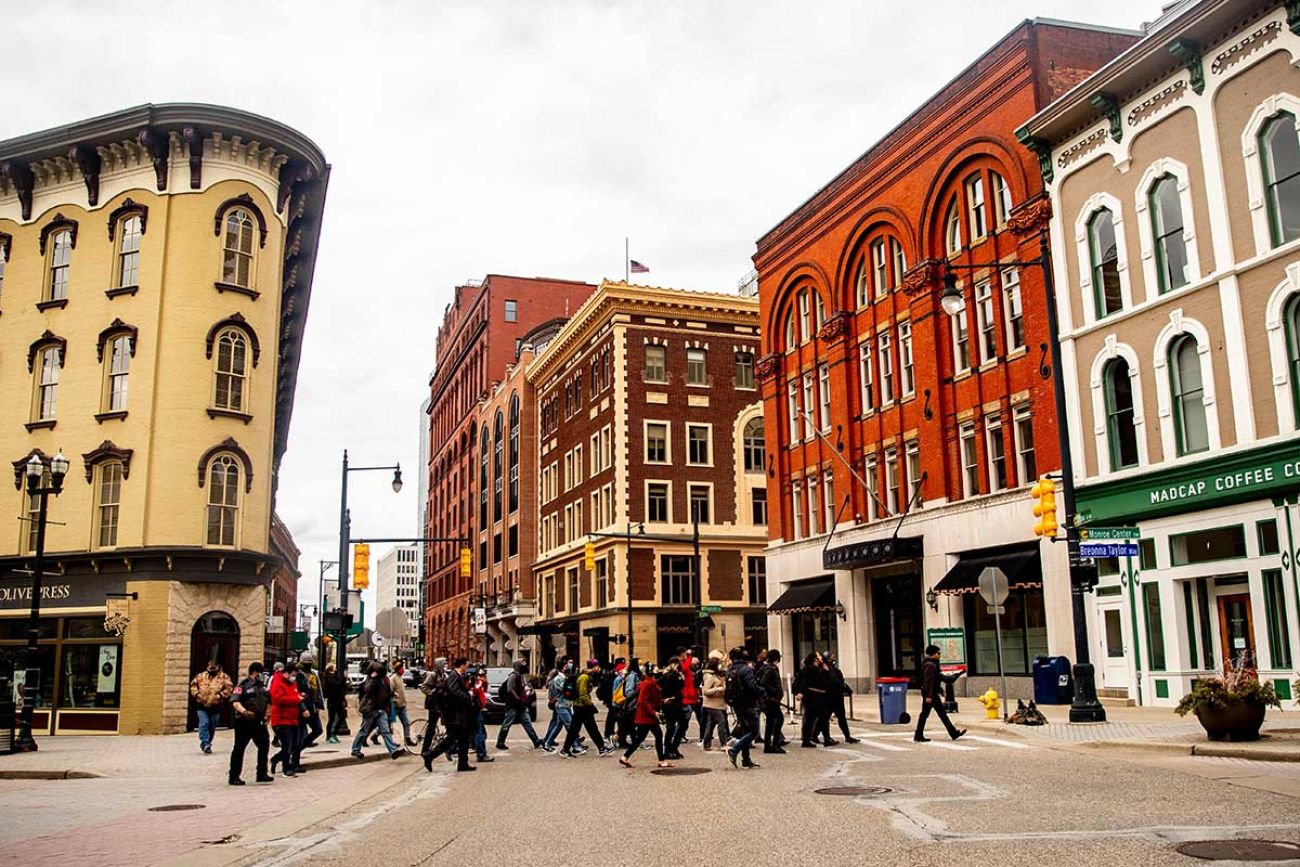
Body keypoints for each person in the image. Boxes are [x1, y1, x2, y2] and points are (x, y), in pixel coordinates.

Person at [424, 657, 476, 772]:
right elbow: (454, 691)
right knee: (451, 739)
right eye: (467, 663)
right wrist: (467, 696)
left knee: (464, 738)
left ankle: (463, 763)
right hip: (454, 715)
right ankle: (430, 755)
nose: (468, 666)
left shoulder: (457, 675)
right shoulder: (454, 676)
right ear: (462, 665)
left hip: (459, 714)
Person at [228, 661, 273, 786]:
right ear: (255, 672)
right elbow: (235, 702)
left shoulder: (262, 687)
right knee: (239, 748)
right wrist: (244, 712)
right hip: (245, 721)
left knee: (264, 746)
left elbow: (269, 701)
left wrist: (267, 715)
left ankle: (262, 774)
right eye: (261, 673)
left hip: (259, 722)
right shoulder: (243, 685)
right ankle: (234, 776)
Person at [559, 659, 616, 758]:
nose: (598, 668)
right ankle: (566, 750)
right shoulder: (584, 677)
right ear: (593, 667)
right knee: (583, 729)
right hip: (582, 707)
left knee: (585, 728)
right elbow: (582, 694)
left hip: (581, 707)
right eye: (597, 666)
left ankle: (600, 747)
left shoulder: (586, 675)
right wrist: (590, 705)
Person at [620, 667, 672, 769]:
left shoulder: (647, 683)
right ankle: (661, 760)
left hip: (646, 716)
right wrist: (654, 712)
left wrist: (663, 701)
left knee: (640, 738)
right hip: (647, 716)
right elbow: (642, 700)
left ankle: (625, 757)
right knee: (657, 735)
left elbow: (649, 700)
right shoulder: (648, 684)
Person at [351, 662, 404, 759]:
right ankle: (355, 749)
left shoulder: (383, 680)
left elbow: (385, 692)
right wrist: (373, 678)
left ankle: (393, 751)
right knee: (364, 731)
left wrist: (392, 694)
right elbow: (367, 690)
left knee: (385, 731)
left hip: (381, 709)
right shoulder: (370, 679)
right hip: (371, 709)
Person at [915, 645, 966, 743]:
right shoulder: (930, 665)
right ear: (933, 654)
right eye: (938, 653)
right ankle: (918, 735)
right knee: (928, 714)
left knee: (939, 714)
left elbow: (935, 680)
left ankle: (953, 733)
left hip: (932, 693)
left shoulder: (932, 664)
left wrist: (941, 691)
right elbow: (928, 682)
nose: (939, 655)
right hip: (930, 695)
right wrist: (929, 696)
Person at [725, 647, 763, 769]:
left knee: (746, 730)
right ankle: (734, 750)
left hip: (737, 703)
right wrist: (762, 691)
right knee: (754, 731)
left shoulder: (730, 669)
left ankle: (746, 759)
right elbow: (751, 686)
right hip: (748, 703)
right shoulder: (746, 669)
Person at [189, 659, 234, 755]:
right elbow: (193, 686)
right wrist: (197, 694)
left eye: (213, 667)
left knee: (212, 725)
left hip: (215, 705)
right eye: (210, 667)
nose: (211, 669)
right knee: (203, 723)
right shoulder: (201, 676)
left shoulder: (224, 677)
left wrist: (221, 696)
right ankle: (205, 743)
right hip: (202, 704)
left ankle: (208, 742)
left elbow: (229, 688)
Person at [269, 661, 304, 777]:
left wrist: (299, 697)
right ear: (286, 673)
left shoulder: (292, 684)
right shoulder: (277, 682)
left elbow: (295, 694)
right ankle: (286, 769)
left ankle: (275, 759)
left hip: (293, 718)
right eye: (293, 675)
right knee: (286, 745)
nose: (294, 678)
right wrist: (296, 699)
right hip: (281, 719)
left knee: (293, 745)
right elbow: (278, 699)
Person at [496, 659, 541, 750]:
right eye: (522, 665)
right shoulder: (513, 676)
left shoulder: (520, 676)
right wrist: (518, 699)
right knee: (507, 723)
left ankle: (535, 740)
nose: (524, 667)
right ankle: (500, 742)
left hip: (520, 705)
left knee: (527, 723)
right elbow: (510, 689)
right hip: (513, 705)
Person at [822, 653, 859, 744]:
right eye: (831, 658)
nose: (833, 659)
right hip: (829, 697)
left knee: (841, 717)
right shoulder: (824, 670)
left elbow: (839, 680)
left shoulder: (834, 669)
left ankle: (847, 736)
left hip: (837, 696)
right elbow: (833, 681)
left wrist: (845, 687)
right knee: (825, 718)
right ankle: (823, 737)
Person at [794, 652, 828, 748]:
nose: (821, 657)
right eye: (818, 656)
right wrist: (825, 670)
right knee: (818, 718)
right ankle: (812, 739)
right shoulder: (812, 669)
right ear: (815, 659)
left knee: (812, 718)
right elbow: (805, 682)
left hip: (812, 696)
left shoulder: (810, 669)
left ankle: (808, 738)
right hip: (813, 696)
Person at [540, 658, 574, 752]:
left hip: (565, 704)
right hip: (561, 704)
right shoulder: (558, 678)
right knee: (570, 725)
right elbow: (565, 690)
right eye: (567, 665)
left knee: (558, 724)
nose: (569, 666)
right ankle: (576, 745)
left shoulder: (565, 676)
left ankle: (548, 743)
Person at [699, 652, 728, 751]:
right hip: (712, 704)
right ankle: (723, 743)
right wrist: (718, 689)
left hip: (716, 703)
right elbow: (705, 691)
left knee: (710, 724)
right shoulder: (710, 676)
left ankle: (707, 745)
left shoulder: (714, 675)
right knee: (722, 722)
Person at [418, 658, 448, 755]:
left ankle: (448, 747)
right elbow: (424, 687)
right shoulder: (433, 675)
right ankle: (425, 749)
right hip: (433, 705)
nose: (446, 666)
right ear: (439, 665)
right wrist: (432, 693)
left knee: (448, 724)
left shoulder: (444, 675)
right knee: (431, 727)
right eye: (444, 664)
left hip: (441, 704)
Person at [659, 656, 687, 760]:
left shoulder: (669, 674)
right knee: (673, 727)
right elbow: (678, 687)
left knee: (675, 727)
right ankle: (669, 749)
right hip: (672, 704)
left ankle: (671, 748)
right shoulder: (671, 675)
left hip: (673, 704)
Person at [759, 649, 786, 754]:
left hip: (772, 699)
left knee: (771, 721)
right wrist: (773, 691)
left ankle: (769, 745)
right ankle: (774, 744)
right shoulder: (770, 669)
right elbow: (763, 682)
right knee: (778, 719)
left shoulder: (768, 668)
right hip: (771, 700)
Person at [298, 657, 325, 750]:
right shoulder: (299, 675)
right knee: (300, 732)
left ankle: (299, 748)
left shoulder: (314, 674)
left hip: (312, 706)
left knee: (318, 730)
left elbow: (318, 689)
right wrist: (302, 707)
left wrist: (319, 703)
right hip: (302, 707)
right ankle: (294, 755)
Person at [389, 660, 416, 747]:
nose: (403, 670)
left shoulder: (400, 678)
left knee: (406, 723)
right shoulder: (393, 678)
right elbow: (390, 691)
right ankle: (376, 735)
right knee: (388, 724)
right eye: (401, 668)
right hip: (395, 706)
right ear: (397, 669)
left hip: (402, 705)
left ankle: (407, 739)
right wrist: (394, 699)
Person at [469, 668, 494, 764]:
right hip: (476, 710)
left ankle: (480, 752)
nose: (485, 678)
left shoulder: (478, 683)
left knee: (480, 732)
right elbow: (476, 692)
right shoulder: (476, 684)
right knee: (480, 733)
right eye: (483, 676)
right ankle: (481, 754)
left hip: (477, 710)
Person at [322, 663, 346, 744]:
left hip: (337, 700)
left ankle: (332, 734)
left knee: (340, 717)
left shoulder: (333, 677)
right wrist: (343, 678)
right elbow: (337, 684)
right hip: (333, 701)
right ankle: (330, 735)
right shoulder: (329, 678)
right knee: (332, 718)